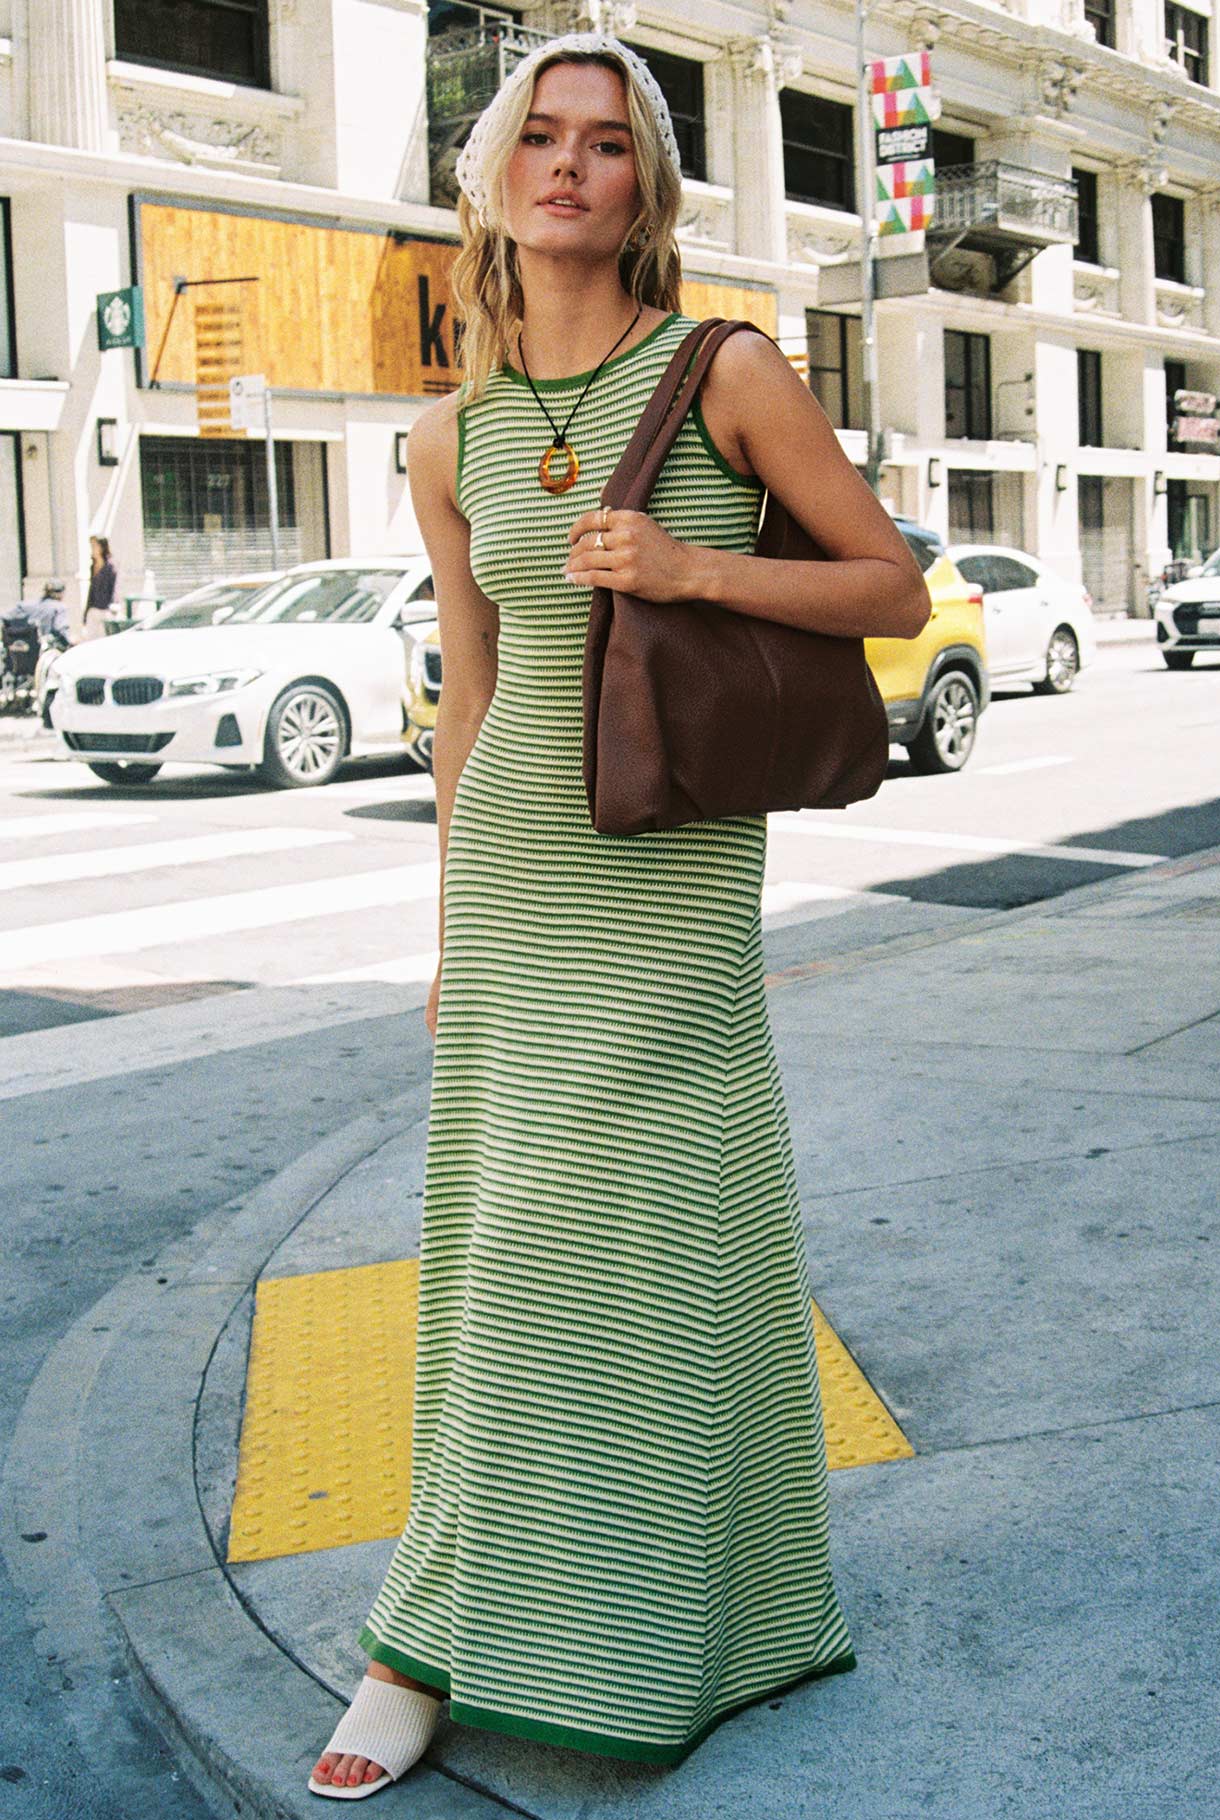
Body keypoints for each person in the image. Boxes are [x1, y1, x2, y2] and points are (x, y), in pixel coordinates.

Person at [309, 32, 930, 1799]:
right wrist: (452, 929)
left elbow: (886, 581)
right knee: (506, 1261)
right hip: (518, 884)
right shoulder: (448, 436)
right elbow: (479, 688)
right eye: (539, 137)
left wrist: (687, 564)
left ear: (646, 188)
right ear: (497, 176)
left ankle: (698, 1620)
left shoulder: (725, 371)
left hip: (671, 880)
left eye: (605, 143)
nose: (567, 165)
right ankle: (421, 1641)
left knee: (665, 1261)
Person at [83, 535, 117, 635]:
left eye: (94, 546)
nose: (92, 549)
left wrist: (112, 607)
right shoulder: (92, 566)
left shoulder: (110, 567)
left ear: (102, 547)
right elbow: (91, 590)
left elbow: (114, 588)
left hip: (105, 610)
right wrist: (86, 613)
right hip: (93, 609)